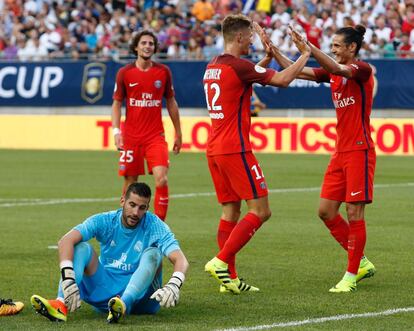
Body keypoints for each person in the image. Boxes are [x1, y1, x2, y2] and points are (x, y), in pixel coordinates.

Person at [257, 24, 376, 292]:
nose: (333, 49)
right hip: (340, 152)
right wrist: (273, 49)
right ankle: (362, 262)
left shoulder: (361, 70)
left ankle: (351, 273)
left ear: (351, 48)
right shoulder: (332, 73)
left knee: (354, 212)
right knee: (325, 211)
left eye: (336, 45)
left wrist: (309, 48)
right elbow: (299, 68)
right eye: (331, 45)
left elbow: (337, 69)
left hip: (360, 149)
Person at [203, 14, 311, 294]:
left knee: (231, 211)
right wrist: (305, 55)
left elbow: (246, 76)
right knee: (261, 211)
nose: (252, 39)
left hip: (214, 148)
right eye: (250, 36)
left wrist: (265, 57)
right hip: (235, 148)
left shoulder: (214, 65)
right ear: (239, 37)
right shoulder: (239, 66)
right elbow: (285, 80)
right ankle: (221, 261)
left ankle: (229, 279)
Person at [30, 182, 189, 323]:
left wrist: (174, 283)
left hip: (143, 299)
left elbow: (180, 259)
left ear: (147, 208)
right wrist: (67, 276)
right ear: (122, 201)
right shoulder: (105, 221)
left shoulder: (155, 225)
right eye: (132, 204)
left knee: (154, 254)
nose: (135, 212)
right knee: (81, 247)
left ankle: (123, 304)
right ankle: (60, 303)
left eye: (142, 208)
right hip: (106, 294)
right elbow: (65, 241)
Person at [112, 30, 182, 221]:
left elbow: (171, 102)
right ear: (136, 47)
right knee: (130, 183)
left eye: (151, 43)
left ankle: (158, 227)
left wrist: (178, 132)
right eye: (143, 43)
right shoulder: (125, 73)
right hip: (131, 137)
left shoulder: (163, 72)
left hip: (155, 137)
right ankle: (125, 224)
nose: (147, 46)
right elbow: (117, 103)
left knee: (161, 178)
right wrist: (116, 131)